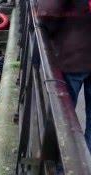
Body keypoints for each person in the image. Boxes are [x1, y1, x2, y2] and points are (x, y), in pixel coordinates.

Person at [42, 0, 91, 152]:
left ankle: (62, 157)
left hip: (77, 55)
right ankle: (87, 159)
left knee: (66, 109)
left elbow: (48, 13)